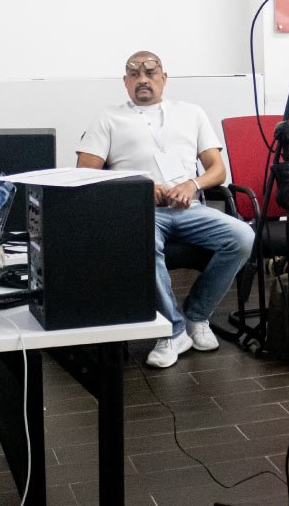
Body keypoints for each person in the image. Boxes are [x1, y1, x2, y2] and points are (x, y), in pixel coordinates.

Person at [76, 51, 254, 368]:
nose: (142, 79)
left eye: (150, 72)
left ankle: (197, 315)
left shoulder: (191, 113)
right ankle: (171, 330)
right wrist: (140, 186)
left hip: (189, 207)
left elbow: (217, 170)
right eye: (134, 73)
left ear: (164, 78)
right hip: (140, 210)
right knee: (142, 243)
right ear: (125, 82)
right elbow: (85, 173)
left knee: (243, 236)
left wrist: (192, 185)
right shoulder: (108, 118)